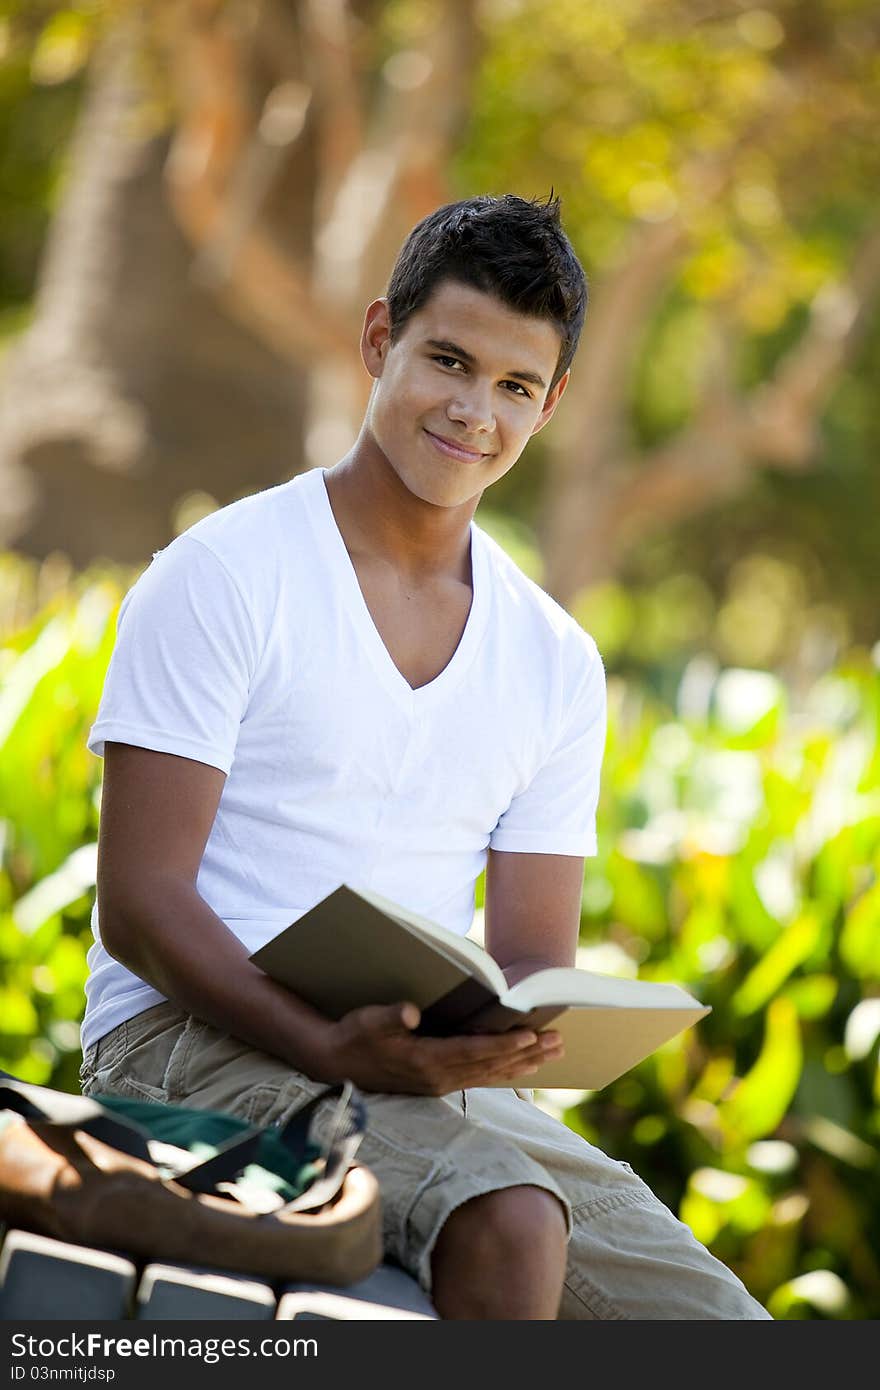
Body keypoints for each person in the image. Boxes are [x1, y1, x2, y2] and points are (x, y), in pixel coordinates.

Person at [79, 193, 770, 1320]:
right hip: (178, 1040)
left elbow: (529, 957)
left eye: (512, 386)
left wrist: (514, 1033)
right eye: (446, 360)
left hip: (412, 1068)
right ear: (376, 342)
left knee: (718, 1325)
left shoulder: (554, 658)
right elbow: (140, 906)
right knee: (506, 1212)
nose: (472, 410)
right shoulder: (225, 574)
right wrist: (323, 1042)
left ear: (548, 407)